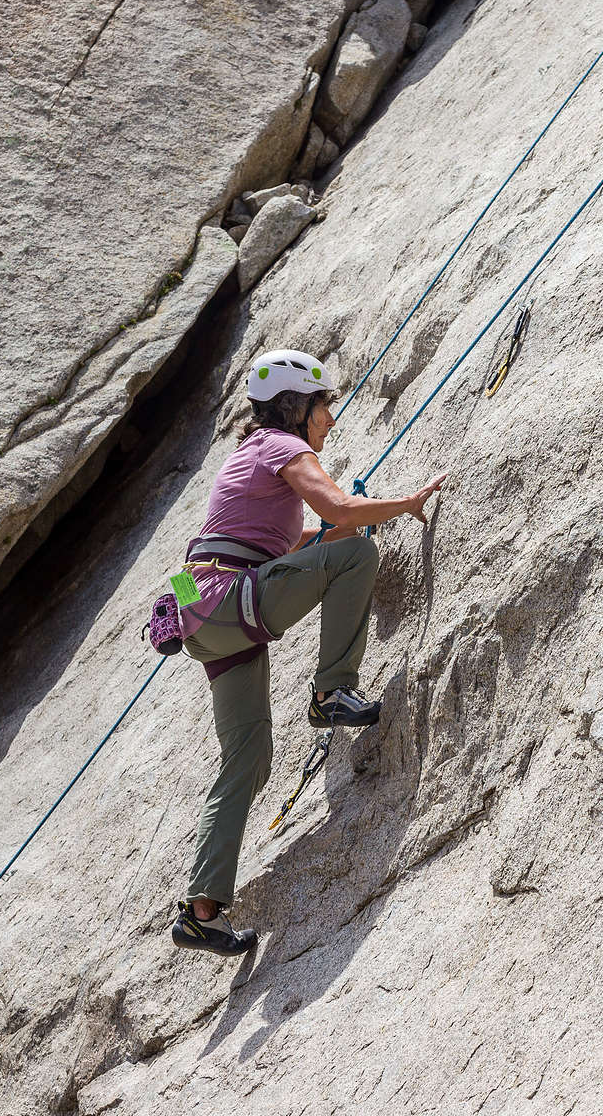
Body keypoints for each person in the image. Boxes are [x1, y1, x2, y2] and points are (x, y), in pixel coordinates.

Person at [171, 348, 448, 956]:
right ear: (296, 407)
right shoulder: (281, 448)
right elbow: (336, 513)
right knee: (355, 557)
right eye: (324, 405)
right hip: (229, 596)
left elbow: (299, 538)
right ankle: (331, 691)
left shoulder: (246, 458)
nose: (330, 419)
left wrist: (336, 527)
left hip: (199, 610)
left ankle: (202, 909)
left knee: (248, 756)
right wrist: (404, 504)